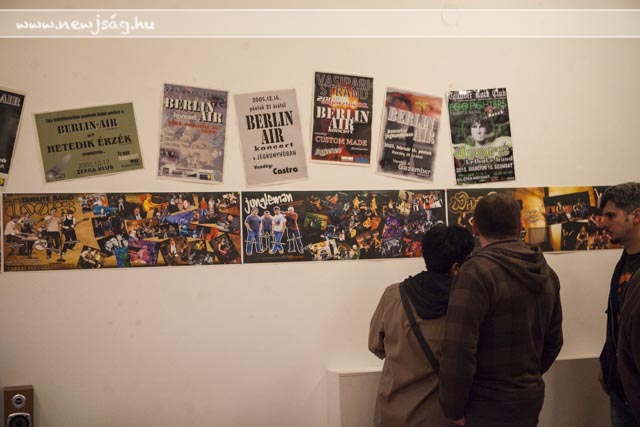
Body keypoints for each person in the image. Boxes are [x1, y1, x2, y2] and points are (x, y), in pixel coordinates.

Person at [439, 193, 563, 426]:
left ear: (475, 228)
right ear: (520, 227)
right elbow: (554, 341)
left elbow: (458, 349)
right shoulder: (547, 273)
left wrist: (453, 409)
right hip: (529, 397)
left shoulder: (474, 273)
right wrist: (527, 378)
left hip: (484, 403)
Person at [369, 225, 474, 427]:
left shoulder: (394, 295)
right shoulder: (466, 304)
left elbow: (375, 346)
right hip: (439, 417)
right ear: (456, 267)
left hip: (392, 413)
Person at [597, 182, 640, 425]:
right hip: (621, 392)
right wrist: (607, 363)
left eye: (611, 216)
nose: (603, 223)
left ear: (636, 216)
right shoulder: (624, 262)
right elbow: (618, 319)